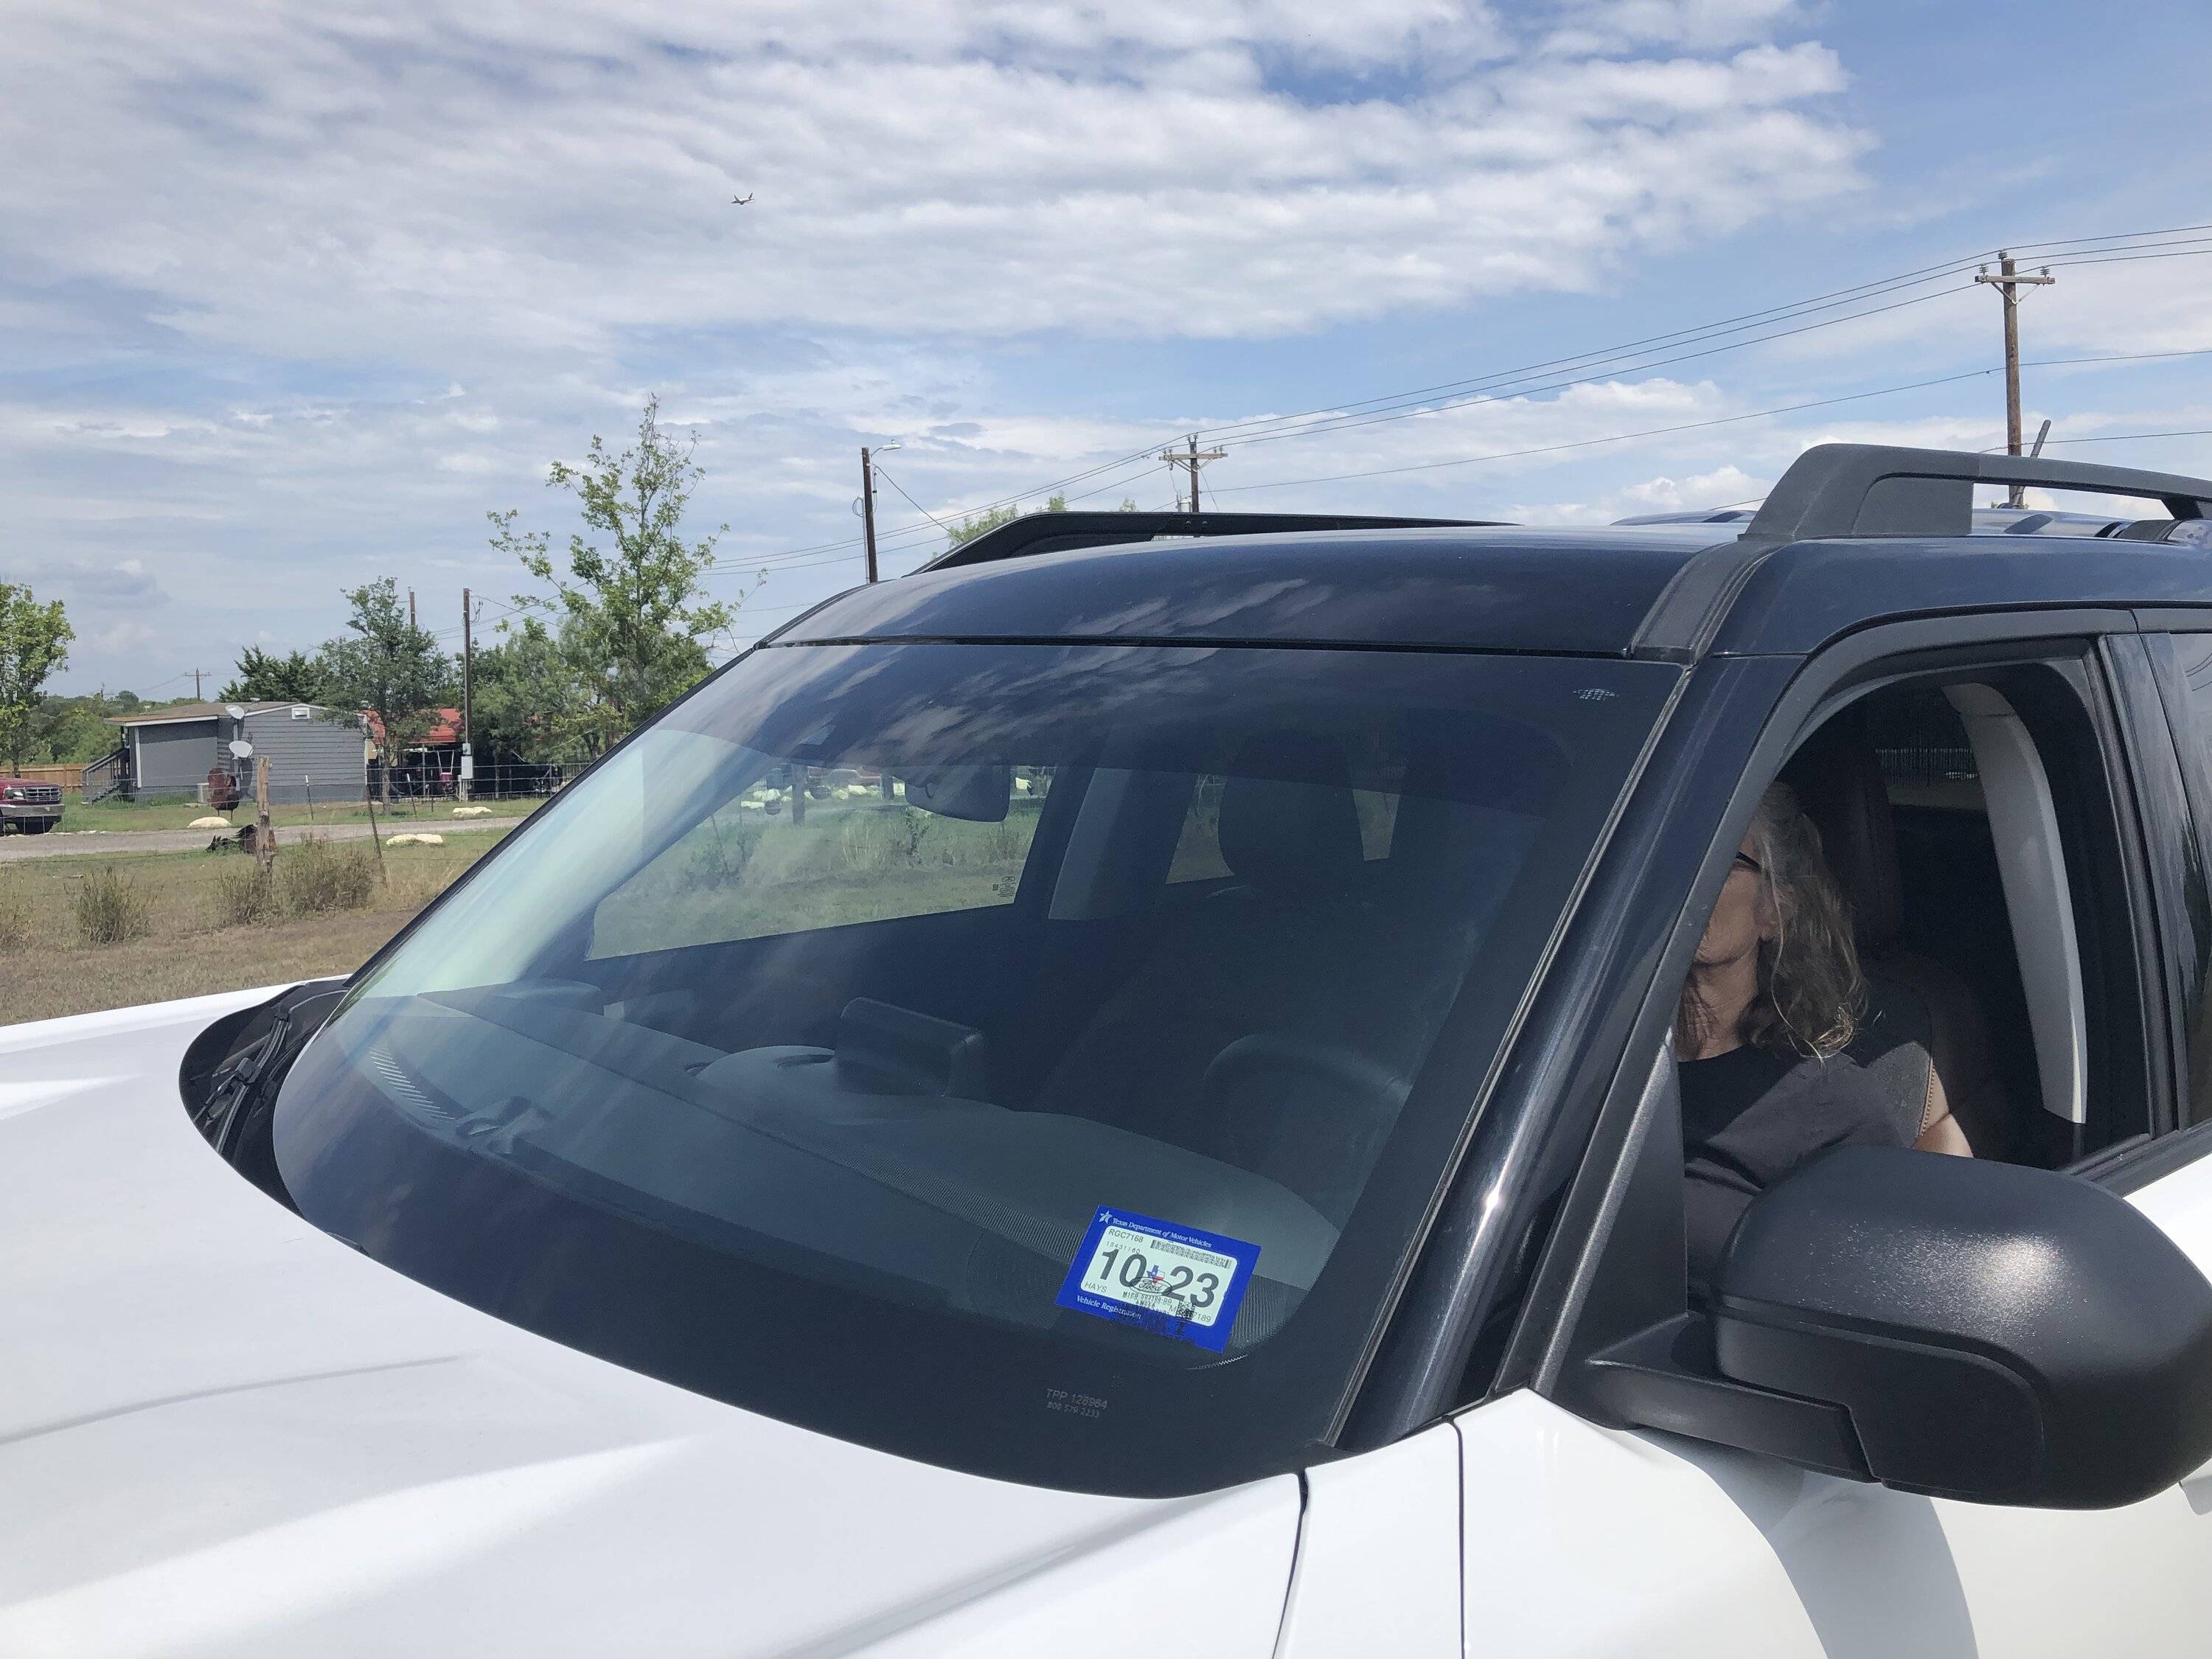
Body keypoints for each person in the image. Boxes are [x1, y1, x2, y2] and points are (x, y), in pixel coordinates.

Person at [1679, 782, 1920, 1289]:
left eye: (1714, 854)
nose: (1679, 876)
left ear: (1774, 910)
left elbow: (1884, 1296)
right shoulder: (1563, 1063)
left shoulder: (1829, 1106)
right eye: (1669, 851)